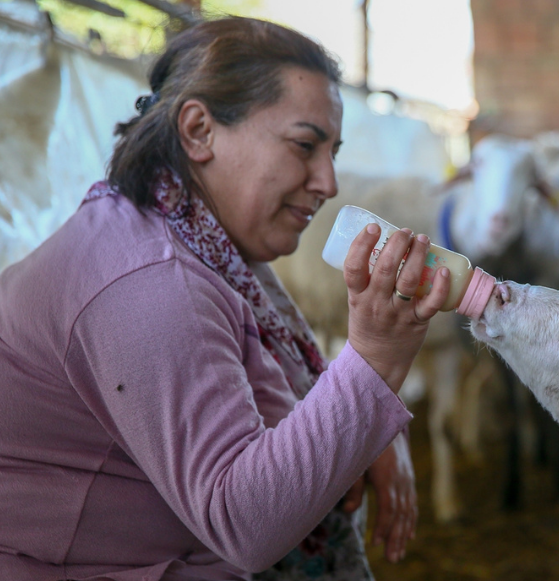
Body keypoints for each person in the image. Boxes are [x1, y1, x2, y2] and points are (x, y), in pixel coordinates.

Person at [0, 16, 452, 581]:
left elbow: (286, 398)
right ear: (198, 131)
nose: (329, 182)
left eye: (332, 151)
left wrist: (371, 426)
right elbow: (244, 524)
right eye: (305, 145)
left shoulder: (200, 240)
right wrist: (376, 363)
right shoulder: (153, 285)